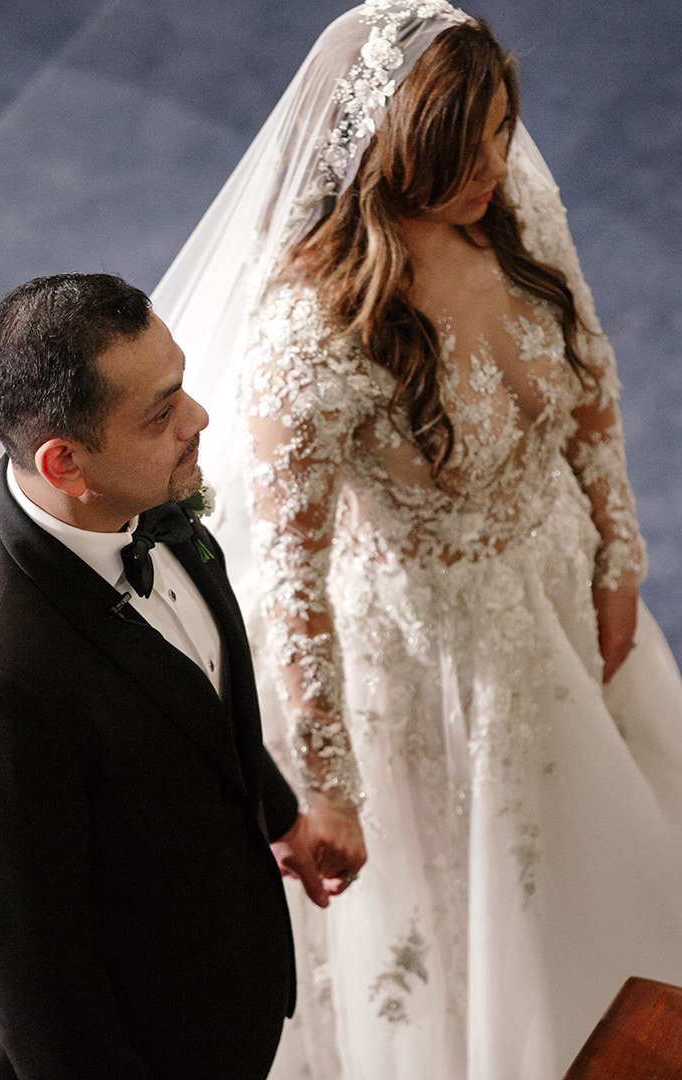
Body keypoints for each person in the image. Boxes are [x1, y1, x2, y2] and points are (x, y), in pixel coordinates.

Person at [151, 3, 682, 1078]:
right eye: (462, 148)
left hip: (559, 576)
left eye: (501, 130)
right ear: (389, 154)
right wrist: (330, 786)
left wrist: (617, 559)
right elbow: (295, 581)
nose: (493, 165)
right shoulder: (313, 332)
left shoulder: (510, 208)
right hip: (439, 657)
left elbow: (590, 379)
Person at [0, 271, 336, 1080]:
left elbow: (194, 689)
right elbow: (36, 966)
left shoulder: (137, 492)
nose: (198, 419)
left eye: (181, 387)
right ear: (66, 463)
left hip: (226, 983)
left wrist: (276, 811)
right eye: (162, 414)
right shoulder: (0, 679)